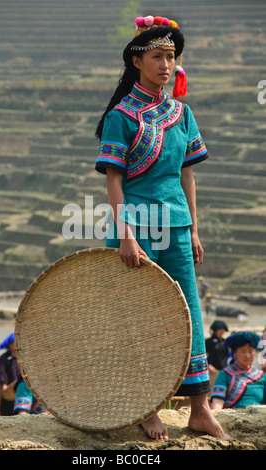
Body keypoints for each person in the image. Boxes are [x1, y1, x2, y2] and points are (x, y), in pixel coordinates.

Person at [95, 15, 231, 441]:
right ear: (137, 60)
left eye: (171, 57)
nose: (166, 65)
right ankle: (146, 407)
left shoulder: (182, 113)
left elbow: (187, 175)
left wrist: (193, 230)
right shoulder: (123, 116)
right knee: (140, 317)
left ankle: (199, 410)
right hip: (136, 226)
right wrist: (126, 235)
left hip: (177, 225)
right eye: (157, 56)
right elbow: (113, 180)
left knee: (188, 313)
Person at [211, 331, 266, 409]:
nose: (247, 356)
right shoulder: (225, 374)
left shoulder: (262, 376)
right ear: (234, 353)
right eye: (243, 351)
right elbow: (217, 402)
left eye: (250, 351)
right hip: (232, 418)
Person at [0, 333, 21, 416]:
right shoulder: (3, 358)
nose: (15, 345)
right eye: (13, 343)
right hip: (9, 388)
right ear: (9, 344)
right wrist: (3, 384)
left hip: (21, 386)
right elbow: (1, 373)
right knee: (7, 411)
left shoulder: (22, 356)